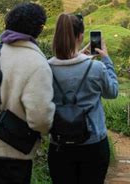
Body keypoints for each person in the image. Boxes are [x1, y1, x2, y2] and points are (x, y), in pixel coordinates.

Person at [0, 2, 55, 184]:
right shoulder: (37, 63)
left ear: (9, 23)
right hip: (14, 153)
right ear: (38, 29)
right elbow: (41, 118)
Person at [47, 14, 119, 184]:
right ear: (80, 36)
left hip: (59, 145)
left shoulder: (46, 67)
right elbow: (112, 92)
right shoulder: (97, 67)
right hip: (93, 144)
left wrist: (78, 55)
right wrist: (106, 59)